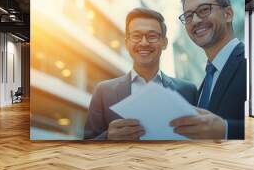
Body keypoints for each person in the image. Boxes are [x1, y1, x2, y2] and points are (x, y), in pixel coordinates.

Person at [84, 8, 198, 140]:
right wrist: (108, 138)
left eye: (152, 36)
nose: (144, 43)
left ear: (164, 43)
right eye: (136, 36)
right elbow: (86, 146)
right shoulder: (103, 91)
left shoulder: (188, 91)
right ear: (127, 43)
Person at [174, 0, 246, 139]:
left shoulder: (248, 63)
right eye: (188, 16)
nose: (195, 20)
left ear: (228, 14)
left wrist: (225, 130)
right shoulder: (207, 80)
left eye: (204, 10)